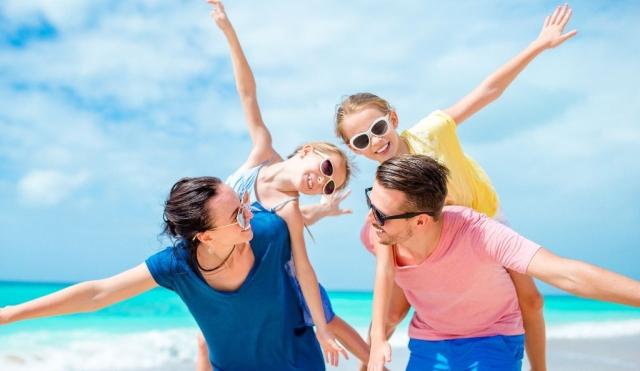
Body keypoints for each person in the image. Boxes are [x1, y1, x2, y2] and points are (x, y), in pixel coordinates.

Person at [334, 4, 578, 369]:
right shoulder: (386, 190)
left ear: (394, 119)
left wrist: (539, 45)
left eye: (379, 129)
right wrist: (380, 339)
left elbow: (487, 91)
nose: (375, 143)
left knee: (532, 300)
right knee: (393, 310)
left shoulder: (432, 130)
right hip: (434, 243)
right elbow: (384, 270)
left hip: (485, 223)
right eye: (361, 141)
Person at [194, 1, 369, 368]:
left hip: (282, 283)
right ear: (307, 150)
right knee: (203, 340)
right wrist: (229, 32)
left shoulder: (289, 207)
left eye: (328, 185)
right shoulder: (261, 152)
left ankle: (375, 361)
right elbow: (247, 93)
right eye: (325, 167)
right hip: (240, 271)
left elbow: (297, 259)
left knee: (325, 319)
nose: (321, 180)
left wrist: (321, 329)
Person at [0, 176, 327, 370]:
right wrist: (9, 314)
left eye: (243, 203)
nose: (249, 215)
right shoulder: (177, 265)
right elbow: (98, 293)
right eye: (237, 214)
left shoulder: (267, 231)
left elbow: (294, 219)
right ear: (206, 236)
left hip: (298, 363)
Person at [364, 154, 640, 370]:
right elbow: (393, 299)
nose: (371, 217)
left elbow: (566, 274)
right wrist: (374, 346)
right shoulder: (377, 232)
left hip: (493, 338)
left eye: (381, 213)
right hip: (430, 342)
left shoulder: (479, 233)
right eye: (371, 202)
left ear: (421, 221)